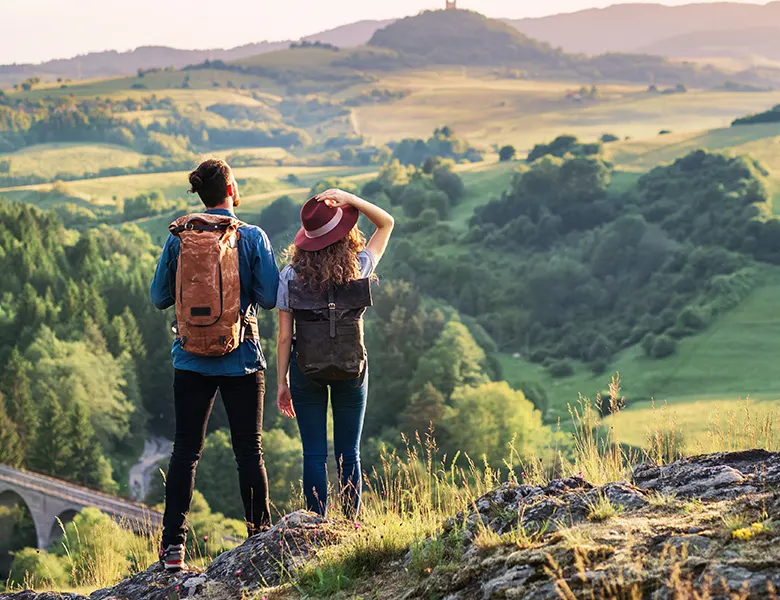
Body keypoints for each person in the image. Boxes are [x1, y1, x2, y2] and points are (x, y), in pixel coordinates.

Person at [150, 158, 279, 572]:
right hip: (241, 357)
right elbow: (273, 296)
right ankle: (259, 539)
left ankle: (173, 549)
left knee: (185, 451)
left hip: (189, 358)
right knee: (249, 452)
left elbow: (158, 298)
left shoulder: (179, 239)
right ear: (231, 189)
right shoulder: (252, 237)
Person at [276, 188, 394, 519]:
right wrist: (351, 199)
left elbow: (285, 337)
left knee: (313, 454)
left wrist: (282, 383)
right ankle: (351, 523)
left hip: (305, 369)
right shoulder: (360, 265)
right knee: (349, 452)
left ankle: (315, 524)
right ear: (344, 235)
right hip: (351, 368)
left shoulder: (290, 275)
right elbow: (386, 223)